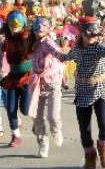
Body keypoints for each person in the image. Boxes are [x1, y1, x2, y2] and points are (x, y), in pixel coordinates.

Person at [65, 17, 105, 169]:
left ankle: (104, 150)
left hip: (101, 90)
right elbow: (64, 57)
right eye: (88, 33)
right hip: (83, 91)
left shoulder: (98, 48)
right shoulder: (76, 50)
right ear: (82, 33)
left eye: (95, 34)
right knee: (85, 129)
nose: (92, 37)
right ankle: (90, 154)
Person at [26, 16, 65, 158]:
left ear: (48, 29)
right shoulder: (32, 43)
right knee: (37, 118)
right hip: (38, 84)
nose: (39, 29)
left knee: (53, 116)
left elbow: (56, 51)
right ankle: (43, 144)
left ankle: (56, 131)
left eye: (43, 26)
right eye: (37, 26)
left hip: (52, 82)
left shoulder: (47, 41)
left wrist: (63, 56)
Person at [0, 11, 33, 147]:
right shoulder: (7, 37)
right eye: (12, 23)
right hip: (13, 76)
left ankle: (37, 121)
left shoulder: (25, 37)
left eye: (17, 23)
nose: (15, 26)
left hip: (26, 76)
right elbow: (2, 50)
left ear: (23, 24)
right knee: (11, 107)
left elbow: (35, 46)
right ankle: (15, 136)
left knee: (25, 109)